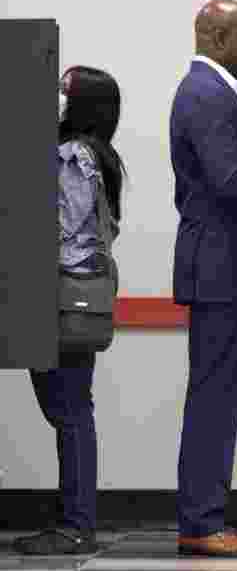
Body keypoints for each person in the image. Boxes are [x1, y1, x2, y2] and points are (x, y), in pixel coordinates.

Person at [169, 0, 237, 557]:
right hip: (222, 271)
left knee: (218, 397)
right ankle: (202, 524)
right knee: (213, 399)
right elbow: (231, 181)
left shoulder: (211, 92)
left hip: (228, 269)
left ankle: (209, 519)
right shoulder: (205, 95)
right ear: (215, 37)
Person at [14, 66, 127, 555]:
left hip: (58, 298)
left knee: (69, 413)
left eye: (64, 91)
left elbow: (57, 226)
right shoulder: (97, 155)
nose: (56, 98)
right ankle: (76, 521)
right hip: (79, 299)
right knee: (74, 411)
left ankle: (75, 525)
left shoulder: (71, 156)